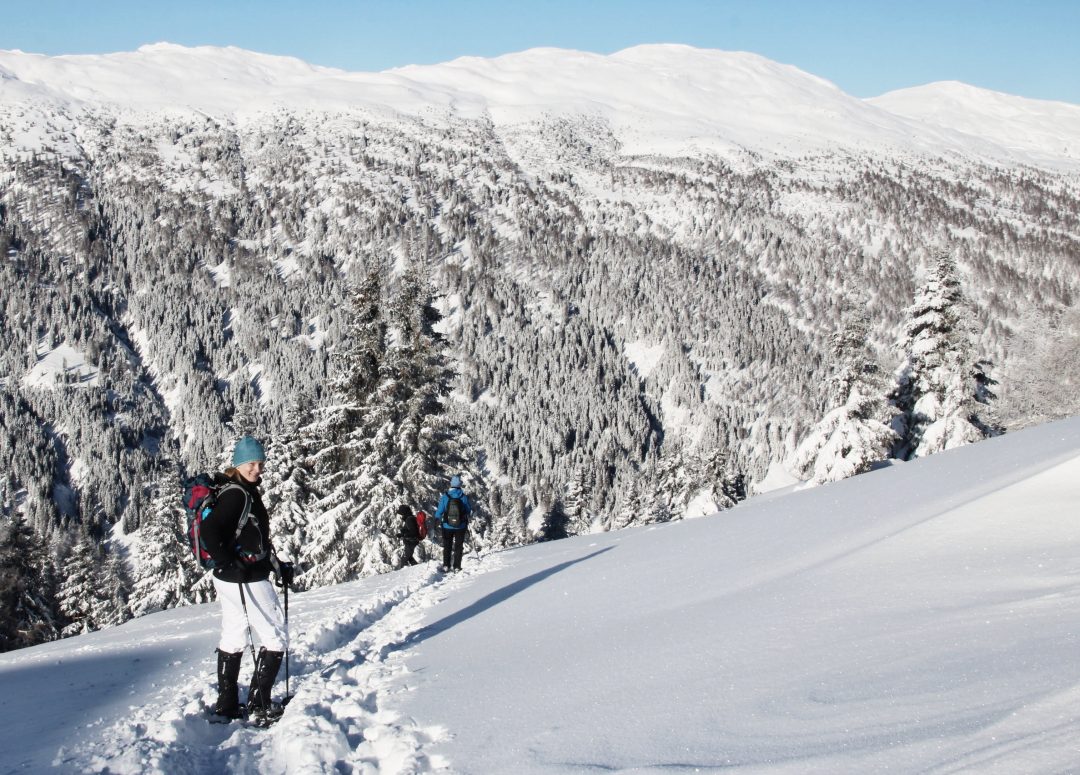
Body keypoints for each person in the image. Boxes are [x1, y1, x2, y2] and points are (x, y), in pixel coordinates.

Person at [202, 435, 295, 722]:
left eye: (260, 462)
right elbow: (209, 532)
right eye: (251, 463)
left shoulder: (240, 490)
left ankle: (227, 704)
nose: (257, 469)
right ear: (238, 464)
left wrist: (277, 565)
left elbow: (253, 538)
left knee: (233, 634)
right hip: (245, 578)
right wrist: (231, 561)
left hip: (229, 578)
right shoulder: (237, 494)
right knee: (276, 636)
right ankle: (259, 704)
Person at [434, 475, 472, 572]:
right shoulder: (463, 497)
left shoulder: (445, 496)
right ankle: (456, 566)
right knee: (459, 546)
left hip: (447, 525)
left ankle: (446, 565)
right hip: (461, 525)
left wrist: (437, 519)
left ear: (451, 484)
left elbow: (439, 511)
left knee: (447, 545)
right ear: (460, 485)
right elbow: (468, 510)